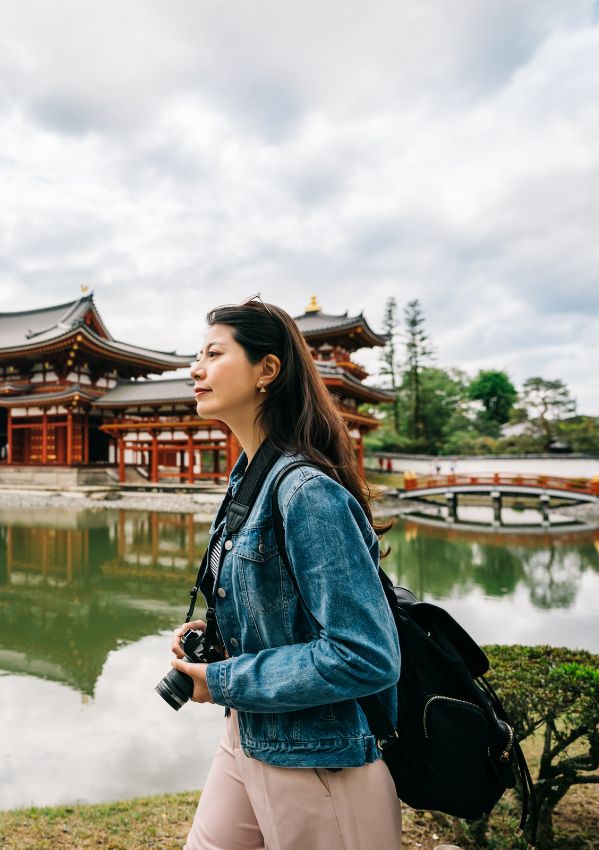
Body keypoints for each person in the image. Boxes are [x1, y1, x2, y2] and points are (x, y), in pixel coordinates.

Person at [170, 297, 401, 850]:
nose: (195, 370)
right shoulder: (249, 478)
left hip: (319, 759)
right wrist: (221, 638)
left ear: (267, 370)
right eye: (195, 357)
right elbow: (282, 616)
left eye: (214, 354)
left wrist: (223, 680)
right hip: (249, 733)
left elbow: (366, 653)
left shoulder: (307, 494)